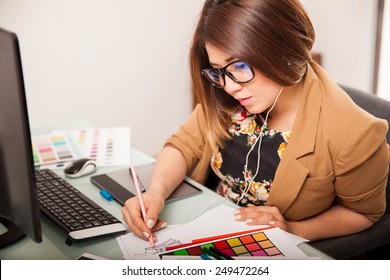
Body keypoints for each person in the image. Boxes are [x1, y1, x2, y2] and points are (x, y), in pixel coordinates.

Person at [122, 0, 389, 243]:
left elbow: (363, 214)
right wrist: (155, 193)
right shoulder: (232, 92)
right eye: (218, 71)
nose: (227, 86)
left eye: (239, 66)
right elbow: (184, 145)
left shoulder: (356, 133)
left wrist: (292, 230)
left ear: (281, 50)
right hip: (201, 228)